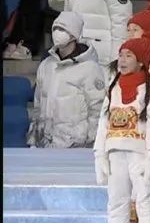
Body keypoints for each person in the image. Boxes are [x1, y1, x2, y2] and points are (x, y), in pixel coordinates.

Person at [94, 38, 150, 223]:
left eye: (129, 56)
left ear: (142, 62)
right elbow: (103, 124)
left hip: (140, 155)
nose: (122, 60)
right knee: (116, 200)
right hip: (116, 153)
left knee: (145, 200)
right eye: (121, 55)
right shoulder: (113, 89)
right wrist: (99, 153)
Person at [28, 12, 106, 149]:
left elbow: (97, 108)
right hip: (45, 144)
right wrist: (34, 137)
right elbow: (38, 105)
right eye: (55, 29)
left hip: (76, 146)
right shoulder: (46, 65)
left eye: (62, 29)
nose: (57, 33)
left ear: (74, 35)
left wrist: (92, 141)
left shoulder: (90, 68)